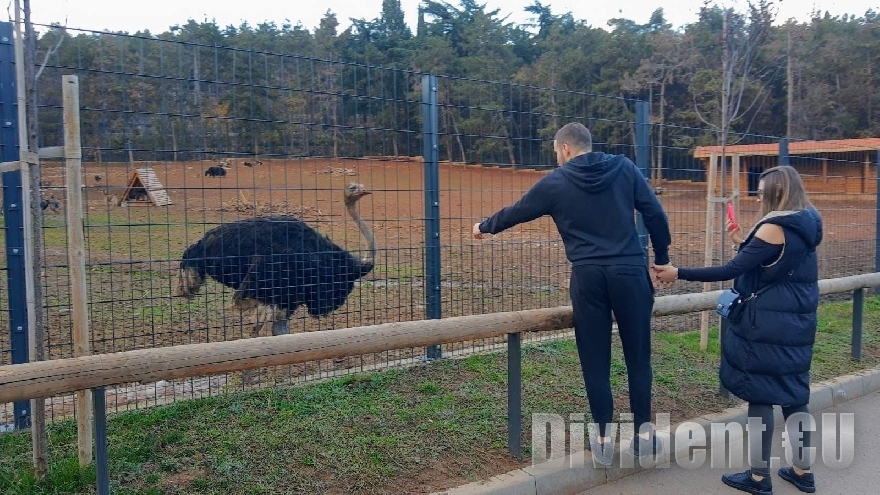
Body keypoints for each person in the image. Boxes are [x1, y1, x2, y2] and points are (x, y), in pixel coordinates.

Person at [472, 122, 672, 465]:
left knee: (595, 360)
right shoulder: (624, 168)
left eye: (556, 152)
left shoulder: (556, 182)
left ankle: (604, 440)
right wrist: (663, 258)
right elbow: (655, 213)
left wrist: (484, 226)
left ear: (565, 149)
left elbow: (517, 211)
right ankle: (643, 435)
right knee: (639, 356)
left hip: (589, 277)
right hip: (630, 272)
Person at [654, 165, 822, 494]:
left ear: (776, 194)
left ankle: (759, 478)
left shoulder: (774, 226)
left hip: (767, 325)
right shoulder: (809, 219)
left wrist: (678, 272)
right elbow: (772, 265)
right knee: (794, 397)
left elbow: (732, 270)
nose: (756, 198)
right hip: (797, 322)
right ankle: (803, 471)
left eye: (760, 193)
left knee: (760, 397)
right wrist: (743, 242)